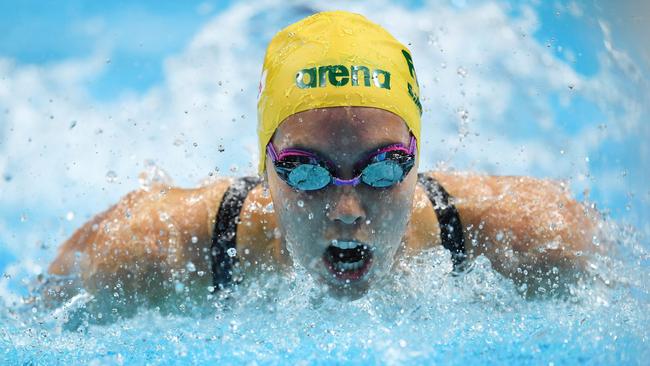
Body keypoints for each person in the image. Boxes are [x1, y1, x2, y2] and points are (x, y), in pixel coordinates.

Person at [45, 11, 599, 309]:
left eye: (383, 167)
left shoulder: (535, 239)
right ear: (265, 169)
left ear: (416, 161)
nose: (347, 209)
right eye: (305, 171)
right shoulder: (152, 250)